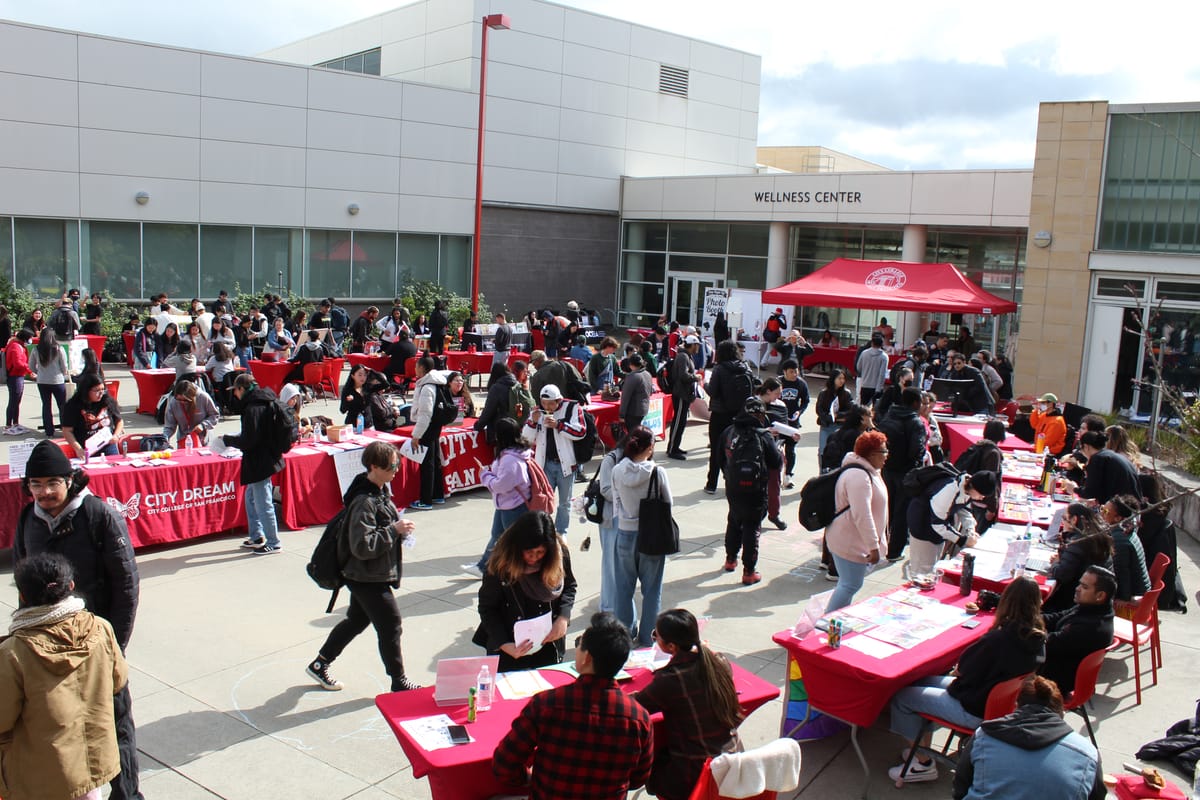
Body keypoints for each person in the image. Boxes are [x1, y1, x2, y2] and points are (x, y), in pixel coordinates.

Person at [13, 440, 143, 800]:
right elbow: (23, 584)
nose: (44, 492)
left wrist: (114, 645)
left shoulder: (97, 515)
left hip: (96, 642)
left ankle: (126, 795)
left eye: (52, 483)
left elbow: (126, 584)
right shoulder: (28, 519)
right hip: (47, 654)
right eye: (36, 485)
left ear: (70, 480)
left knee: (115, 729)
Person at [889, 576, 1047, 784]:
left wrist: (961, 670)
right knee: (920, 681)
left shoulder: (999, 638)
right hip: (997, 704)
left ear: (1006, 601)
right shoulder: (1038, 638)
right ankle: (920, 749)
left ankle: (923, 762)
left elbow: (962, 670)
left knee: (902, 697)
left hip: (973, 707)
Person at [0, 552, 129, 800]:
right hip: (92, 764)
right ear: (70, 586)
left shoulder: (14, 653)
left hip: (40, 776)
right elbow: (118, 680)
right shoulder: (101, 628)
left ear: (23, 595)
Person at [493, 611, 652, 800]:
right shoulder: (638, 717)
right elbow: (638, 778)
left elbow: (504, 764)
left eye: (579, 645)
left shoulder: (546, 704)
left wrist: (529, 779)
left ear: (587, 658)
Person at [305, 442, 420, 692]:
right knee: (391, 624)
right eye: (391, 465)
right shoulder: (364, 502)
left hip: (369, 573)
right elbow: (363, 546)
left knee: (356, 621)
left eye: (397, 464)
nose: (396, 469)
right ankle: (398, 681)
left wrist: (397, 530)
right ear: (374, 466)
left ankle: (319, 664)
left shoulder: (379, 492)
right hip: (366, 576)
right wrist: (394, 530)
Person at [635, 609, 743, 800]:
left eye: (656, 636)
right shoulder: (719, 662)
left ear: (670, 646)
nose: (655, 640)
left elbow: (635, 706)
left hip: (695, 776)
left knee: (645, 764)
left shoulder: (670, 680)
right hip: (733, 763)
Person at [952, 675, 1105, 800]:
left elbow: (960, 788)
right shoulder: (1087, 754)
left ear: (1017, 706)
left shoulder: (984, 736)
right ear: (1061, 712)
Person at [475, 511, 577, 672]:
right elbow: (487, 608)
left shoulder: (558, 554)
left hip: (547, 644)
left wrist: (563, 617)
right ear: (517, 547)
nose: (534, 558)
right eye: (529, 552)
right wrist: (504, 644)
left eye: (540, 553)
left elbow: (569, 586)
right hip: (511, 647)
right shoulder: (501, 564)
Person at [610, 425, 672, 645]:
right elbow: (668, 503)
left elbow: (615, 501)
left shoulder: (617, 470)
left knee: (623, 590)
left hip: (625, 534)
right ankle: (648, 638)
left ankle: (624, 635)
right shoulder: (657, 472)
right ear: (650, 447)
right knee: (652, 590)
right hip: (652, 536)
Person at [221, 373, 290, 554]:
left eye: (235, 390)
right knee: (251, 498)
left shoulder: (252, 408)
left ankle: (273, 542)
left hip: (259, 461)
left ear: (241, 389)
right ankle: (256, 535)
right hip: (267, 457)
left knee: (262, 502)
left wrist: (227, 440)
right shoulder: (264, 401)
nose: (234, 395)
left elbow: (249, 440)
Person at [717, 398, 781, 585]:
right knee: (752, 527)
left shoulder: (729, 432)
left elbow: (719, 458)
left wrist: (729, 475)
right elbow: (776, 462)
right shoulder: (764, 436)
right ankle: (749, 571)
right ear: (760, 415)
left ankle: (730, 559)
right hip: (755, 489)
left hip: (733, 487)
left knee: (734, 520)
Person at [825, 430, 889, 611]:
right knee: (850, 585)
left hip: (850, 538)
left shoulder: (869, 471)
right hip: (850, 542)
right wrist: (873, 546)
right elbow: (862, 514)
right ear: (871, 455)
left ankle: (829, 623)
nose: (886, 456)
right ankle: (827, 625)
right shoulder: (860, 476)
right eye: (884, 452)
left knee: (847, 584)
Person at [466, 417, 534, 577]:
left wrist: (485, 475)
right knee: (497, 537)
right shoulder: (514, 454)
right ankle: (483, 566)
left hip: (513, 506)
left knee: (512, 542)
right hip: (507, 504)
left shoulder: (510, 460)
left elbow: (501, 485)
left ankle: (519, 573)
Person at [1041, 566, 1116, 696]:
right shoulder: (1091, 608)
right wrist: (1025, 617)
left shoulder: (1092, 626)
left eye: (1084, 587)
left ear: (1100, 595)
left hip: (1054, 680)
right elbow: (1055, 618)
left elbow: (1047, 643)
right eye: (1079, 584)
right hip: (1055, 663)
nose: (1077, 589)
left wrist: (1022, 629)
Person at [906, 469, 995, 577]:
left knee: (934, 566)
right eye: (982, 494)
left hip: (938, 528)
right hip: (923, 526)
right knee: (923, 570)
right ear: (975, 487)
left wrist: (970, 529)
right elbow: (938, 524)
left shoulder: (967, 488)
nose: (983, 498)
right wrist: (963, 540)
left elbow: (965, 510)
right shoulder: (950, 490)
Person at [525, 384, 587, 535]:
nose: (547, 407)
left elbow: (580, 432)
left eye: (550, 404)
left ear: (558, 400)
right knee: (543, 500)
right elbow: (525, 438)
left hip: (566, 464)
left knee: (565, 502)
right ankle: (543, 531)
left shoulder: (572, 407)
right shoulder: (537, 412)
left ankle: (561, 532)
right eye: (543, 403)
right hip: (544, 464)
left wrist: (559, 425)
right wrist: (532, 422)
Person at [877, 387, 927, 562]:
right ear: (915, 402)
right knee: (901, 512)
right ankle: (894, 551)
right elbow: (916, 451)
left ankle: (879, 545)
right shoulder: (915, 423)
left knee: (885, 509)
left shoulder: (889, 415)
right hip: (905, 473)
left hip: (886, 468)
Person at [703, 340, 756, 493]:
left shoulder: (719, 369)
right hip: (740, 415)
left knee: (716, 449)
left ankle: (712, 483)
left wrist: (705, 384)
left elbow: (712, 391)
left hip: (720, 414)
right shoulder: (745, 367)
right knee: (737, 449)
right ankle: (734, 482)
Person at [1042, 504, 1114, 615]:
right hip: (1094, 598)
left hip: (1072, 600)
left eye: (1064, 518)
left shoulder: (1077, 542)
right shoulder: (1098, 537)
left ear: (1074, 520)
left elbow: (1062, 574)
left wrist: (1056, 564)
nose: (1062, 522)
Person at [409, 356, 449, 510]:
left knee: (427, 464)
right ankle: (438, 495)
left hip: (427, 427)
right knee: (434, 461)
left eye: (416, 366)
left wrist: (416, 435)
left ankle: (425, 500)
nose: (415, 369)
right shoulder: (437, 383)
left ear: (422, 368)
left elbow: (425, 414)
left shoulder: (427, 387)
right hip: (435, 426)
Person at [1063, 430, 1141, 505]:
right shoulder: (1109, 455)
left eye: (1082, 449)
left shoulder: (1097, 458)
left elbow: (1089, 492)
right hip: (1132, 504)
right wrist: (1098, 500)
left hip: (1124, 507)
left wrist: (1074, 489)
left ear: (1086, 447)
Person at [1099, 494, 1151, 602]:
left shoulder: (1119, 541)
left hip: (1134, 595)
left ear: (1118, 518)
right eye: (1102, 508)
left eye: (1106, 512)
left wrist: (1122, 599)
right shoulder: (1127, 530)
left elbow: (1121, 575)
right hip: (1139, 589)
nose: (1101, 514)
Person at [61, 374, 124, 458]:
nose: (101, 393)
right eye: (97, 390)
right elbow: (67, 430)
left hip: (108, 445)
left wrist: (116, 435)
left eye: (103, 389)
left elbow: (119, 420)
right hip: (86, 448)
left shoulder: (107, 401)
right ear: (86, 390)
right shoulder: (73, 405)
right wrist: (78, 449)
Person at [29, 328, 69, 437]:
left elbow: (31, 366)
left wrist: (40, 372)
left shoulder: (36, 349)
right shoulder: (58, 349)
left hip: (42, 380)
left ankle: (49, 431)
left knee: (46, 405)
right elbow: (64, 367)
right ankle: (65, 429)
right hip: (57, 380)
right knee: (62, 406)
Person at [666, 334, 700, 460]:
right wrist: (696, 377)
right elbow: (683, 375)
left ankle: (675, 446)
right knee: (678, 421)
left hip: (684, 394)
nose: (698, 348)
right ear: (692, 345)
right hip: (680, 394)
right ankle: (672, 449)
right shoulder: (683, 356)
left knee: (681, 422)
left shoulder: (686, 356)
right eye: (697, 345)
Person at [778, 358, 810, 485]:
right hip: (779, 421)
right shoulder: (778, 382)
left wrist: (799, 411)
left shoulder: (801, 384)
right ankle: (776, 474)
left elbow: (806, 400)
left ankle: (788, 475)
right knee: (776, 449)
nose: (794, 374)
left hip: (793, 422)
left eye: (796, 371)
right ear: (785, 371)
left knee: (790, 450)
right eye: (791, 372)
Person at [162, 379, 220, 448]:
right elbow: (169, 425)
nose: (182, 402)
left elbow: (214, 415)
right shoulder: (173, 402)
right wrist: (165, 437)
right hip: (184, 439)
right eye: (179, 400)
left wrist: (203, 425)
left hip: (203, 439)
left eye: (185, 400)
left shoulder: (203, 397)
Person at [815, 369, 853, 470]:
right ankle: (822, 471)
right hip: (826, 425)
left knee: (838, 450)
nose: (842, 381)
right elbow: (819, 409)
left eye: (843, 378)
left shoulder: (846, 394)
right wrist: (828, 417)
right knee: (823, 450)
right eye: (839, 378)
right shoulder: (824, 393)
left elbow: (850, 410)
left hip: (840, 426)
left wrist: (837, 416)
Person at [475, 362, 517, 441]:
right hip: (516, 424)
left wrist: (478, 426)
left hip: (500, 427)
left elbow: (489, 410)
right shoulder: (516, 383)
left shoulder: (497, 387)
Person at [340, 363, 388, 428]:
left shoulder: (368, 387)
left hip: (368, 424)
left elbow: (385, 384)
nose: (362, 378)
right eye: (359, 375)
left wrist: (371, 371)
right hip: (353, 425)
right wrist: (348, 401)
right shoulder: (348, 390)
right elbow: (342, 410)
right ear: (353, 376)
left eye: (365, 375)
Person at [4, 328, 34, 431]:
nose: (31, 340)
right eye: (30, 338)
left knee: (16, 401)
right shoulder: (15, 346)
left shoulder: (18, 345)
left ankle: (15, 423)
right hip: (15, 376)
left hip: (18, 376)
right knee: (14, 401)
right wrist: (29, 370)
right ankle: (9, 425)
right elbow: (18, 364)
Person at [619, 352, 652, 433]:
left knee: (633, 435)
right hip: (643, 409)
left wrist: (621, 415)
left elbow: (625, 397)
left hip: (633, 411)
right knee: (638, 433)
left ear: (631, 364)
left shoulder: (632, 377)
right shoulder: (647, 374)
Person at [856, 333, 889, 406]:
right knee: (876, 409)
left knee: (863, 407)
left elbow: (858, 367)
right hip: (876, 386)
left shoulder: (864, 353)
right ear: (881, 344)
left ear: (872, 343)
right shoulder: (884, 356)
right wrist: (879, 388)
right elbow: (882, 374)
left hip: (864, 384)